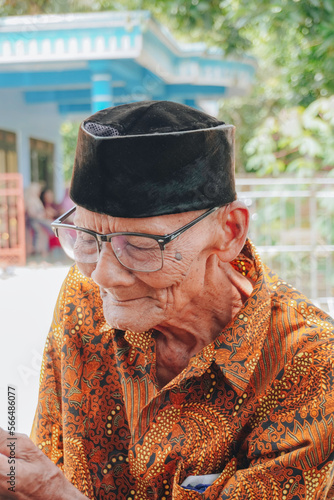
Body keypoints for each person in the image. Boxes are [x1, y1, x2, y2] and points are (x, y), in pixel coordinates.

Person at [1, 101, 333, 500]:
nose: (104, 274)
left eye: (141, 245)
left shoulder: (311, 365)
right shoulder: (84, 296)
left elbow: (50, 484)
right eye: (87, 239)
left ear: (230, 231)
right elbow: (48, 456)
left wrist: (50, 490)